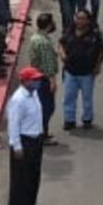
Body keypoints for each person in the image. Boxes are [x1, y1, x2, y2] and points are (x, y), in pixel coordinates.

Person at [7, 67, 46, 205]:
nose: (37, 82)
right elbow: (13, 125)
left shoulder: (33, 94)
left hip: (35, 139)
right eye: (34, 80)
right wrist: (17, 146)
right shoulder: (18, 100)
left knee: (33, 175)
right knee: (19, 180)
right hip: (24, 141)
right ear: (25, 81)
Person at [59, 10, 103, 130]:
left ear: (88, 20)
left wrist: (98, 66)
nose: (80, 21)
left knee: (87, 98)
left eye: (83, 18)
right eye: (78, 18)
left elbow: (102, 51)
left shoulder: (94, 35)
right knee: (69, 97)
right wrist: (62, 53)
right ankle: (69, 120)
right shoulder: (69, 32)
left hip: (87, 73)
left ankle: (87, 119)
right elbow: (61, 43)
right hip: (71, 71)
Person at [27, 13, 60, 145]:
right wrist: (52, 80)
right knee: (47, 108)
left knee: (40, 107)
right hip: (43, 79)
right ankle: (42, 135)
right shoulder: (44, 42)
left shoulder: (35, 38)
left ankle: (42, 132)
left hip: (36, 77)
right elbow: (47, 65)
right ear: (49, 25)